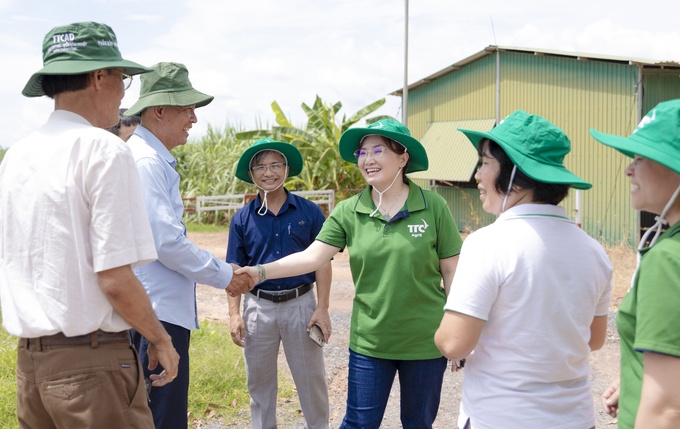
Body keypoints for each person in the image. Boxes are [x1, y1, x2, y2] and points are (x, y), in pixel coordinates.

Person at [0, 21, 179, 429]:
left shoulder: (17, 155)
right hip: (92, 366)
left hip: (31, 365)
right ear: (100, 77)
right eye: (124, 79)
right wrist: (159, 338)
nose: (123, 92)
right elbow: (115, 278)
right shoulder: (102, 149)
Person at [237, 119, 462, 429]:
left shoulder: (433, 207)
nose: (367, 160)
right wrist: (260, 272)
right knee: (358, 423)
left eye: (378, 150)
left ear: (403, 157)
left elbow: (452, 270)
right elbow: (312, 257)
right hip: (370, 342)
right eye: (362, 152)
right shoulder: (348, 211)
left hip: (424, 342)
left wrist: (458, 329)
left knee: (418, 423)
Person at [434, 110, 613, 429]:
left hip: (502, 417)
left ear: (514, 174)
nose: (476, 175)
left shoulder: (487, 243)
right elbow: (595, 338)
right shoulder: (594, 250)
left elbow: (453, 343)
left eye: (485, 163)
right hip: (576, 418)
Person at [124, 62, 254, 429]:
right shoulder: (148, 162)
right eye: (187, 108)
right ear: (159, 110)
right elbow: (165, 241)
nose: (194, 118)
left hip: (154, 308)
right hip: (157, 313)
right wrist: (226, 274)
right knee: (161, 416)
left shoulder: (149, 158)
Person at [227, 138, 332, 429]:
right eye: (259, 166)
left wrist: (322, 307)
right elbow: (234, 272)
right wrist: (235, 314)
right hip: (258, 308)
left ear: (287, 169)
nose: (268, 172)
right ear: (251, 174)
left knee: (312, 382)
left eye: (275, 165)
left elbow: (322, 261)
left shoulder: (309, 212)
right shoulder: (241, 219)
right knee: (259, 385)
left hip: (301, 305)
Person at [591, 99, 680, 429]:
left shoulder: (667, 259)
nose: (629, 169)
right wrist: (636, 377)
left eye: (642, 158)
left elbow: (667, 409)